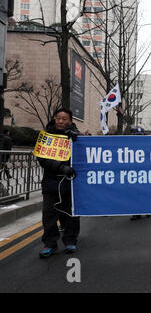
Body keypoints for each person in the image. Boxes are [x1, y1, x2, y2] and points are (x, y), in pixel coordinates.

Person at [38, 108, 80, 258]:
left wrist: (77, 139)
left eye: (64, 119)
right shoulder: (45, 137)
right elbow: (42, 159)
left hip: (69, 184)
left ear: (70, 121)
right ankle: (50, 244)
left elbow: (84, 155)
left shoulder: (76, 136)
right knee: (49, 216)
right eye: (58, 118)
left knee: (70, 215)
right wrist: (61, 167)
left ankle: (70, 241)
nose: (61, 121)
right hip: (50, 183)